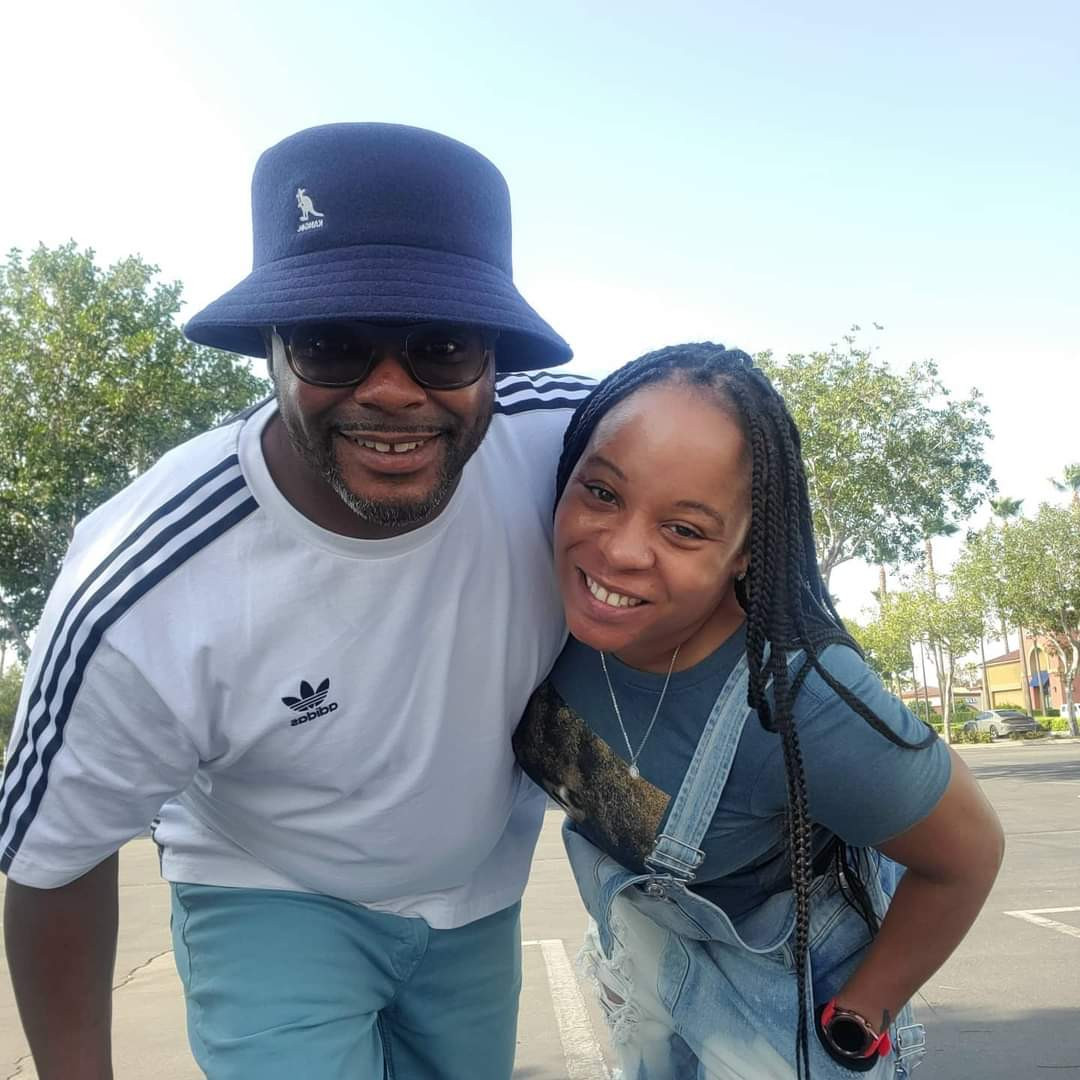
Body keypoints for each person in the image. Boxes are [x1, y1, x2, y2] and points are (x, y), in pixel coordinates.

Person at [0, 122, 592, 1080]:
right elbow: (56, 857)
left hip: (478, 892)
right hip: (265, 884)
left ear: (497, 360)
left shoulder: (582, 450)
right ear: (270, 353)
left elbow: (734, 447)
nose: (392, 391)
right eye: (331, 344)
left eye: (443, 347)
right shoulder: (142, 584)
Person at [513, 342, 1004, 1079]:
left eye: (684, 529)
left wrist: (861, 1017)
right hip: (647, 988)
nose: (620, 551)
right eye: (603, 493)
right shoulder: (539, 608)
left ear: (746, 549)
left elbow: (967, 856)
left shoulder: (799, 702)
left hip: (778, 1023)